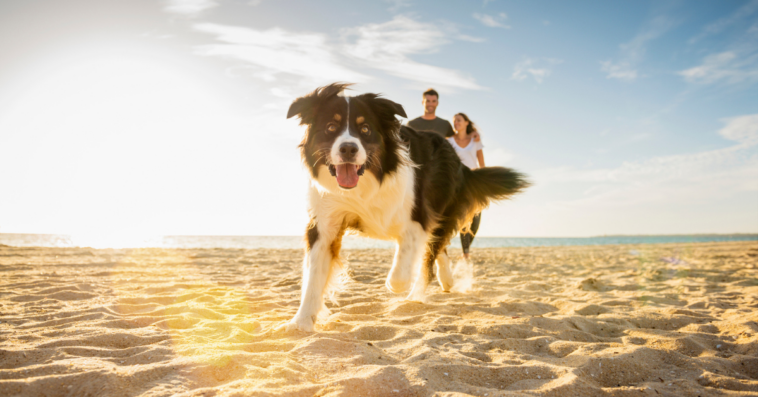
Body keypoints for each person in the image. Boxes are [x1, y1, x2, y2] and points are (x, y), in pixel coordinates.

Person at [449, 112, 485, 260]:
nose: (456, 123)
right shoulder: (449, 141)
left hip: (474, 183)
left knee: (476, 221)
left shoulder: (475, 140)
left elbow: (482, 164)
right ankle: (466, 254)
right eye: (454, 121)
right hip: (458, 183)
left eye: (459, 120)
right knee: (464, 217)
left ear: (466, 123)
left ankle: (465, 249)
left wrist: (484, 182)